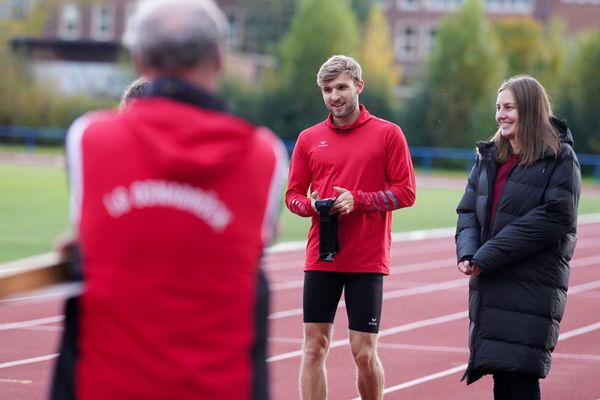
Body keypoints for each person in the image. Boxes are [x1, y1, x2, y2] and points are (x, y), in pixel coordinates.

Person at [50, 0, 287, 399]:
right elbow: (253, 245)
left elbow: (95, 238)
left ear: (139, 59)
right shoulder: (266, 156)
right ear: (219, 59)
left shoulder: (87, 140)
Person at [285, 54, 416, 400]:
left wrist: (359, 201)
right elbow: (293, 196)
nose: (335, 96)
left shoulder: (388, 134)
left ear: (359, 86)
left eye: (341, 87)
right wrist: (310, 206)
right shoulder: (308, 139)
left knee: (362, 351)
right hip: (321, 254)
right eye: (328, 90)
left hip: (366, 258)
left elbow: (406, 193)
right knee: (314, 346)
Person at [455, 75, 581, 399]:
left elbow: (555, 217)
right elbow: (468, 211)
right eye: (498, 107)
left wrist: (487, 255)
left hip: (531, 285)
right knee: (501, 376)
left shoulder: (559, 158)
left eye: (509, 107)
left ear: (529, 109)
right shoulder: (489, 156)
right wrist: (468, 253)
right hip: (491, 282)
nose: (501, 115)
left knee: (521, 376)